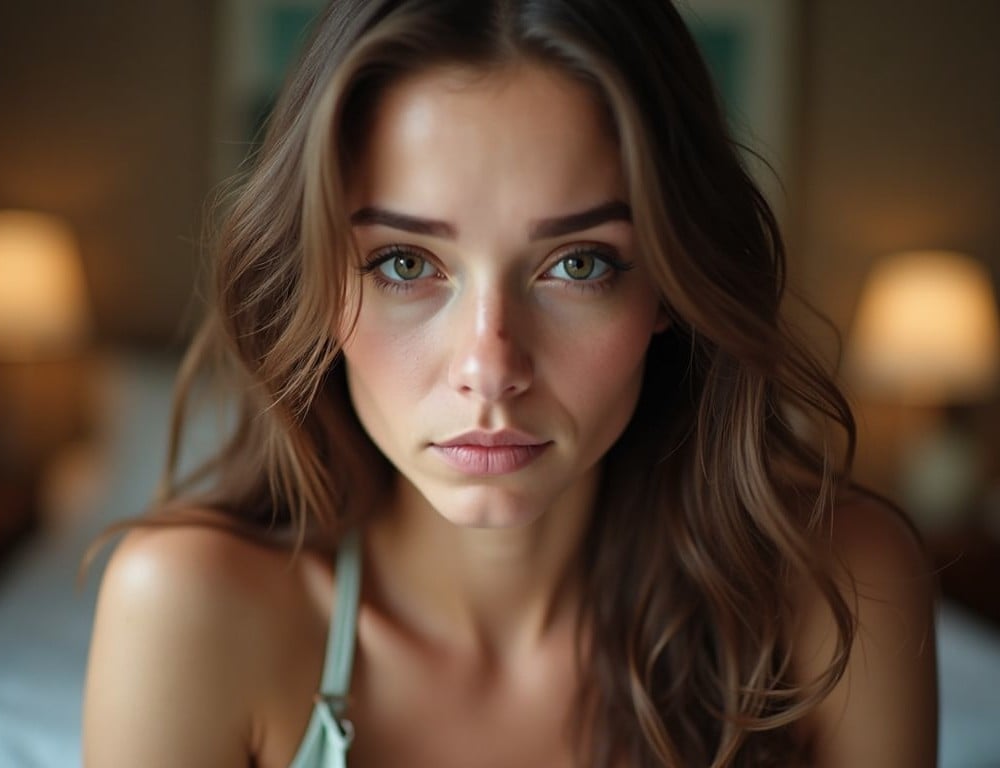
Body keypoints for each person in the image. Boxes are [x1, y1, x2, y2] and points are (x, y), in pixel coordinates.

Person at [83, 1, 938, 766]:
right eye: (404, 262)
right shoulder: (192, 611)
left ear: (670, 287)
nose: (489, 368)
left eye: (579, 263)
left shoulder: (840, 590)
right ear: (312, 282)